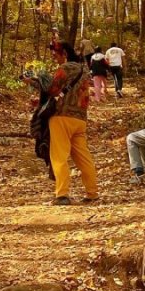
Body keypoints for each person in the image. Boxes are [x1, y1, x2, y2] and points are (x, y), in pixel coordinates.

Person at [45, 42, 99, 205]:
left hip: (61, 117)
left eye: (56, 55)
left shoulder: (65, 68)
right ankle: (92, 193)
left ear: (65, 54)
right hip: (80, 119)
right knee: (84, 158)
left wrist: (34, 84)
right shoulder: (84, 70)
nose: (55, 59)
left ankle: (62, 194)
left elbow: (52, 90)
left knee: (59, 156)